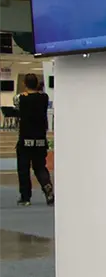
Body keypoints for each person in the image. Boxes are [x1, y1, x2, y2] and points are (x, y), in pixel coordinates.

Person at [16, 73, 54, 207]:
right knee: (40, 167)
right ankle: (47, 187)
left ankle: (25, 197)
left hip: (25, 138)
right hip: (40, 139)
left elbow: (18, 109)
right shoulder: (44, 97)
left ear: (25, 84)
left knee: (24, 169)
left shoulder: (21, 98)